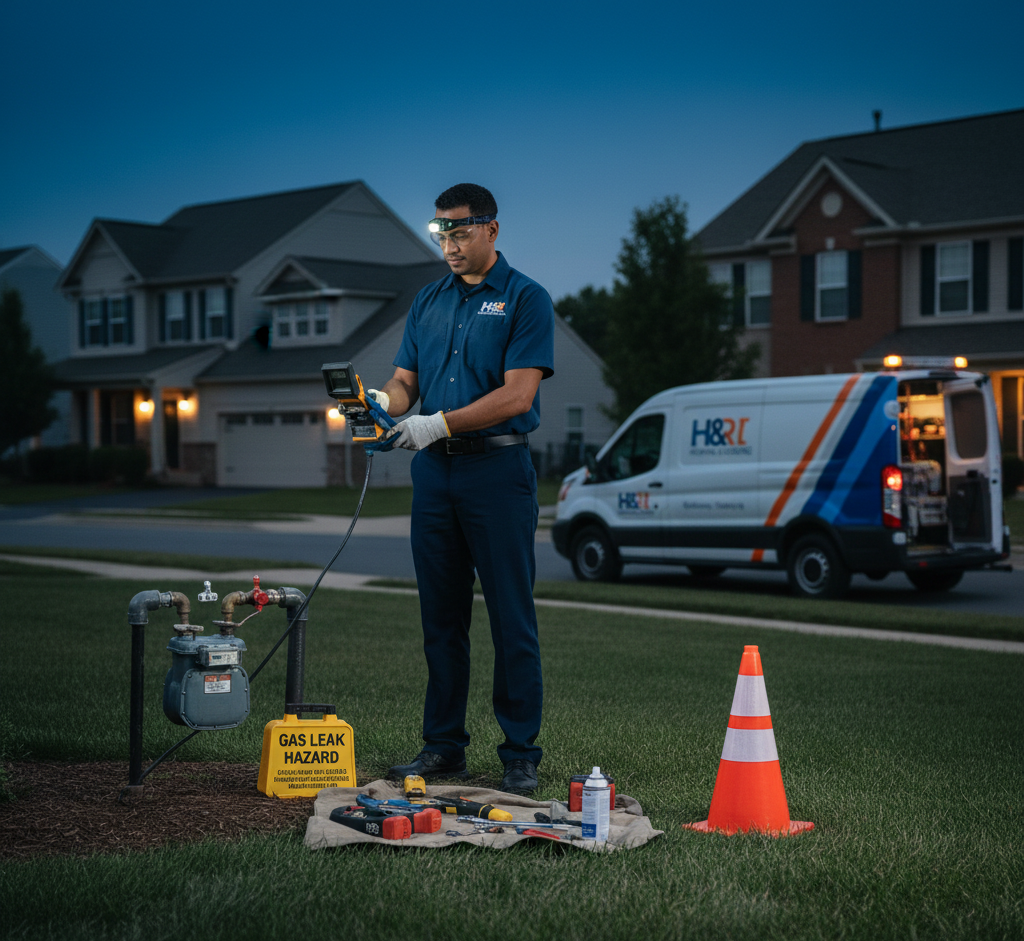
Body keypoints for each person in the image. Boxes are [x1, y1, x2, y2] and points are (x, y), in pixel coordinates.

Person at [365, 183, 554, 795]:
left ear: (492, 230)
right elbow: (403, 382)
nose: (449, 241)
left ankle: (520, 753)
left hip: (497, 474)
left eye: (461, 230)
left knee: (510, 618)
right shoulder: (428, 301)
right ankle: (443, 748)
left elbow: (518, 395)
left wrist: (436, 423)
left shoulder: (526, 299)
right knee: (441, 621)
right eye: (441, 230)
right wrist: (381, 404)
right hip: (435, 476)